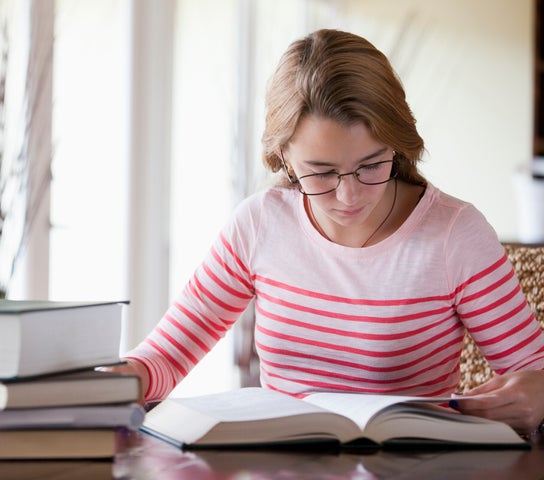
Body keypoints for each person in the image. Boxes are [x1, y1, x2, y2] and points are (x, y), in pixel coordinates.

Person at [110, 29, 544, 437]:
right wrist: (117, 380)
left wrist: (538, 396)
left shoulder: (453, 234)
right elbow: (164, 358)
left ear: (397, 143)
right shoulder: (260, 224)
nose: (349, 195)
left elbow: (534, 370)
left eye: (371, 165)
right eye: (321, 173)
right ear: (283, 156)